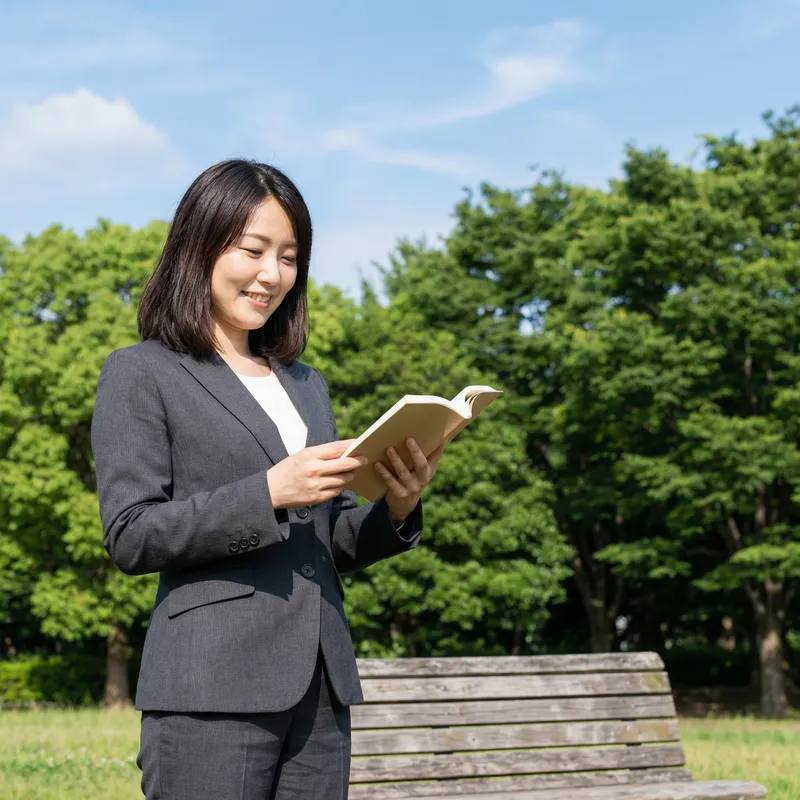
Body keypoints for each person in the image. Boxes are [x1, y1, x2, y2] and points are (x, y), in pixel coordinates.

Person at [90, 159, 443, 800]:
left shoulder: (307, 385)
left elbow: (328, 542)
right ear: (199, 246)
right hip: (209, 689)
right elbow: (131, 534)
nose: (272, 274)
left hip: (320, 686)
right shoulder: (141, 372)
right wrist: (268, 493)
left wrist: (397, 505)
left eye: (289, 256)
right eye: (253, 250)